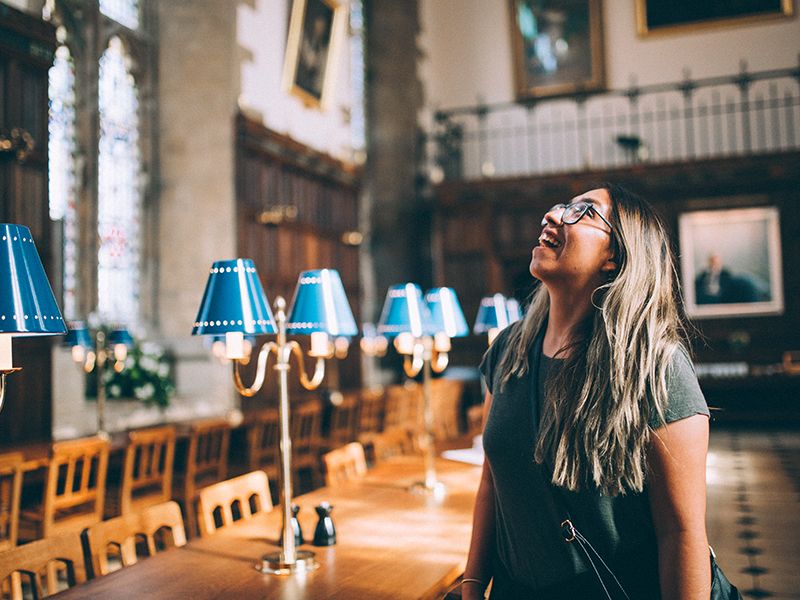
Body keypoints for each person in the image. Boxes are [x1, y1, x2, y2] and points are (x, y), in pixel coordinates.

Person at [461, 184, 711, 599]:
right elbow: (493, 479)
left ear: (614, 256)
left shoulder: (656, 367)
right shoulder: (507, 349)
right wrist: (473, 583)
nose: (553, 215)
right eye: (561, 206)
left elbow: (680, 533)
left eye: (584, 212)